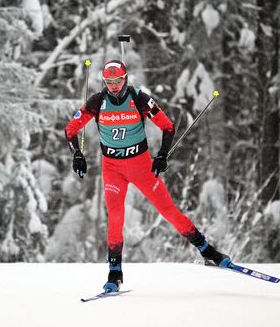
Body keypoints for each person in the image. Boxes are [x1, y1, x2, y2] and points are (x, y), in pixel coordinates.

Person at [65, 60, 231, 293]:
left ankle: (207, 250)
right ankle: (115, 274)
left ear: (126, 78)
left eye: (118, 81)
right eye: (109, 82)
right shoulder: (97, 102)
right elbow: (71, 129)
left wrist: (162, 155)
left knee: (168, 211)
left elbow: (168, 126)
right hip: (112, 169)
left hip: (141, 166)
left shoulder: (140, 99)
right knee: (115, 216)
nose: (113, 86)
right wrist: (77, 155)